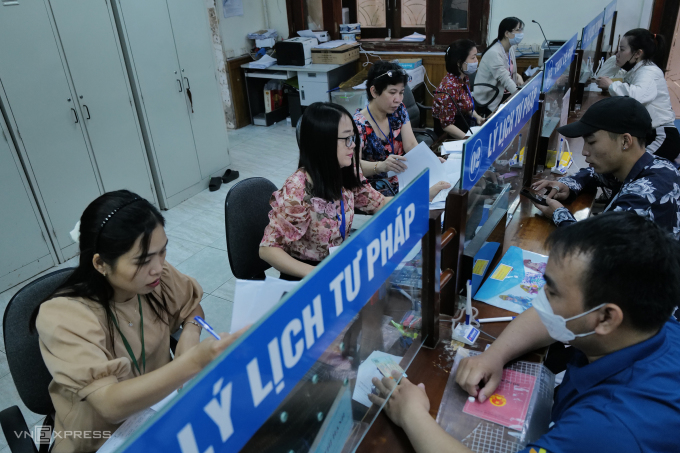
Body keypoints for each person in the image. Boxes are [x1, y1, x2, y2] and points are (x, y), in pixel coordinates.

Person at [369, 212, 680, 453]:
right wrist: (495, 354)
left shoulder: (607, 429)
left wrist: (412, 414)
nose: (539, 300)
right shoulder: (652, 328)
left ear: (606, 318)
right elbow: (552, 318)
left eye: (552, 292)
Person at [33, 191, 244, 452]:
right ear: (100, 263)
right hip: (98, 439)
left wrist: (191, 331)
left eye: (162, 251)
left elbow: (191, 306)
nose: (158, 267)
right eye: (143, 260)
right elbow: (109, 405)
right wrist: (194, 361)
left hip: (160, 413)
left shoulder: (156, 278)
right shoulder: (64, 316)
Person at [260, 102, 390, 281]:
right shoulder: (297, 189)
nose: (353, 146)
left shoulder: (346, 170)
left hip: (336, 263)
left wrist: (423, 195)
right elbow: (268, 249)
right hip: (307, 275)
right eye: (347, 139)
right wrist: (317, 275)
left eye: (353, 138)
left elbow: (379, 203)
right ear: (323, 142)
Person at [531, 96, 680, 238]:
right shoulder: (655, 164)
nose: (584, 151)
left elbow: (594, 248)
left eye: (591, 142)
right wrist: (567, 186)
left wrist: (559, 214)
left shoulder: (643, 197)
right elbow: (595, 174)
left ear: (625, 141)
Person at [354, 61, 450, 197]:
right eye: (392, 92)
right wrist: (381, 166)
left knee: (444, 190)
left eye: (401, 92)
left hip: (403, 179)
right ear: (374, 91)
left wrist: (431, 160)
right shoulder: (357, 125)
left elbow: (411, 144)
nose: (398, 99)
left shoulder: (398, 111)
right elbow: (352, 167)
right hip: (374, 190)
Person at [596, 29, 679, 161]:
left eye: (622, 49)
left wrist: (611, 85)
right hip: (649, 134)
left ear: (638, 53)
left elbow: (637, 97)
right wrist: (617, 58)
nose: (618, 53)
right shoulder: (636, 68)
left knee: (632, 168)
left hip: (661, 136)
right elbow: (599, 77)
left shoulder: (648, 71)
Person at [433, 39, 487, 139]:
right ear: (459, 63)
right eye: (473, 58)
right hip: (449, 135)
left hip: (463, 126)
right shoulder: (449, 87)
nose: (476, 61)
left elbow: (465, 105)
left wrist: (478, 117)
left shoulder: (463, 77)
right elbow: (446, 125)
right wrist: (468, 139)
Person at [473, 17, 525, 116]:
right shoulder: (494, 53)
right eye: (518, 30)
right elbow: (504, 78)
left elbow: (507, 69)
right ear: (506, 33)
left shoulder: (510, 49)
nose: (521, 33)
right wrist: (521, 96)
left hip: (504, 93)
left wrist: (518, 76)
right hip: (492, 97)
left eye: (521, 30)